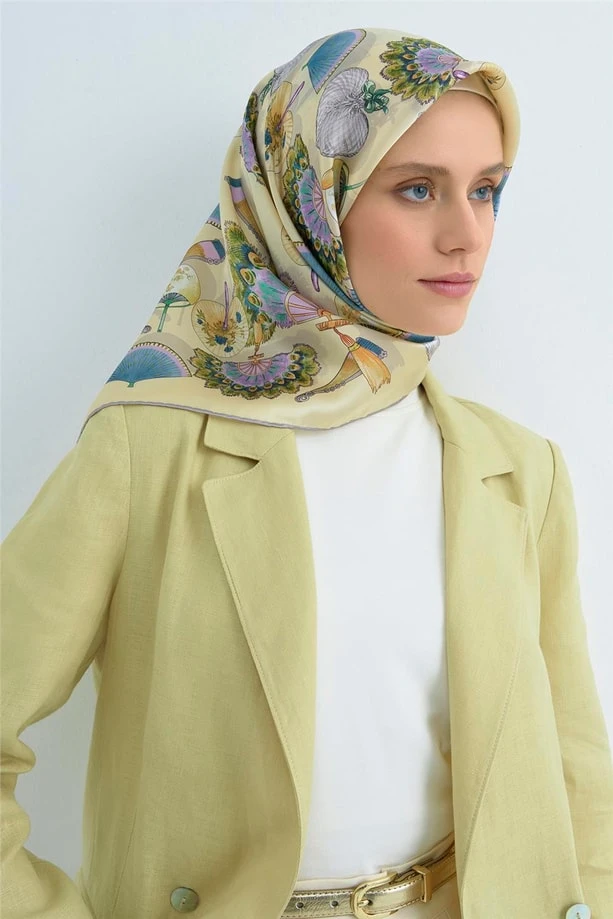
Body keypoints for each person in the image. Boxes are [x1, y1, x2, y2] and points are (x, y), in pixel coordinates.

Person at [1, 25, 612, 919]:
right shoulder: (148, 446)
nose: (466, 235)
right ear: (307, 200)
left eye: (485, 190)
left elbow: (574, 764)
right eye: (417, 189)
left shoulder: (517, 470)